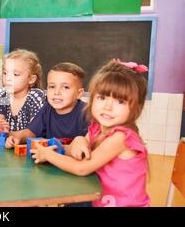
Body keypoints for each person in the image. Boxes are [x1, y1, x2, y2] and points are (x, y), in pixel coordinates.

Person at [32, 59, 150, 207]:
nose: (108, 107)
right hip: (96, 200)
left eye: (120, 102)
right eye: (102, 98)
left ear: (135, 108)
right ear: (92, 99)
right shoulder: (96, 128)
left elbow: (81, 168)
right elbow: (75, 153)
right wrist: (79, 140)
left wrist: (48, 154)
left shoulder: (121, 137)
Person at [5, 62, 88, 148]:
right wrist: (17, 138)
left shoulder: (87, 112)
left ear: (79, 94)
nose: (56, 92)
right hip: (48, 158)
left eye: (65, 87)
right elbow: (31, 133)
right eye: (52, 87)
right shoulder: (47, 108)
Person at [0, 49, 46, 136]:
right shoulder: (3, 96)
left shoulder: (35, 97)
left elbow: (33, 132)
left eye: (15, 74)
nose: (8, 78)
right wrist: (0, 130)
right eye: (5, 73)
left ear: (31, 79)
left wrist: (10, 134)